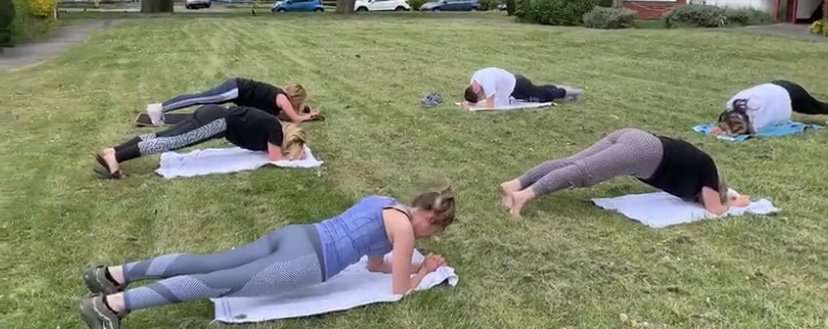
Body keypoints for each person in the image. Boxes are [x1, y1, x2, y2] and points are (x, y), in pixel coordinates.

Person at [79, 188, 457, 329]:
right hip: (307, 261)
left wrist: (406, 264)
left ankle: (113, 274)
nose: (428, 237)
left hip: (297, 235)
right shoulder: (405, 230)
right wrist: (423, 268)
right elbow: (397, 289)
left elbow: (376, 265)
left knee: (207, 263)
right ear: (430, 219)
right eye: (434, 232)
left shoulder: (383, 202)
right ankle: (112, 306)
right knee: (216, 283)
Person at [499, 128, 751, 217]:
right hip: (643, 152)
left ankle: (514, 184)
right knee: (582, 172)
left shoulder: (700, 169)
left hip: (636, 136)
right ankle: (523, 196)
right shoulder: (708, 173)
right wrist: (736, 202)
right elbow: (715, 209)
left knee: (572, 162)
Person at [94, 104, 305, 179]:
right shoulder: (276, 131)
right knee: (171, 142)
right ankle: (116, 157)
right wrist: (295, 157)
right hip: (218, 121)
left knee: (164, 136)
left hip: (213, 113)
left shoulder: (273, 124)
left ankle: (113, 150)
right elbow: (276, 159)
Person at [145, 77, 321, 126]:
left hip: (238, 95)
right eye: (300, 102)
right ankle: (160, 108)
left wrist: (304, 113)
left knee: (209, 108)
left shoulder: (280, 103)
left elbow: (287, 117)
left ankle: (161, 113)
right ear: (295, 98)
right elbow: (295, 119)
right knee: (201, 98)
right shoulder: (282, 98)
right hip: (237, 88)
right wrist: (309, 116)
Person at [713, 80, 828, 135]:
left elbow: (750, 132)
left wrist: (726, 131)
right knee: (817, 107)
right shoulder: (731, 104)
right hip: (775, 85)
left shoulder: (756, 121)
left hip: (788, 93)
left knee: (817, 108)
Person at [460, 67, 582, 109]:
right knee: (538, 91)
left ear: (476, 90)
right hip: (514, 84)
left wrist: (473, 106)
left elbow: (490, 106)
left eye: (481, 95)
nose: (483, 96)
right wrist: (472, 103)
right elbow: (486, 100)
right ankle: (557, 87)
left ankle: (570, 92)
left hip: (518, 86)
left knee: (542, 97)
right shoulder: (474, 80)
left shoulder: (486, 82)